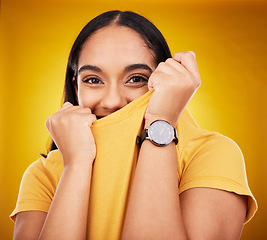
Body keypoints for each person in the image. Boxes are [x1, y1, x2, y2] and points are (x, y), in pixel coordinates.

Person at [11, 10, 257, 240]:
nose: (112, 101)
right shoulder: (44, 174)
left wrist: (161, 121)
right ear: (76, 87)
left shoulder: (211, 154)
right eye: (93, 80)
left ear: (164, 81)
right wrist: (75, 165)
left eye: (136, 79)